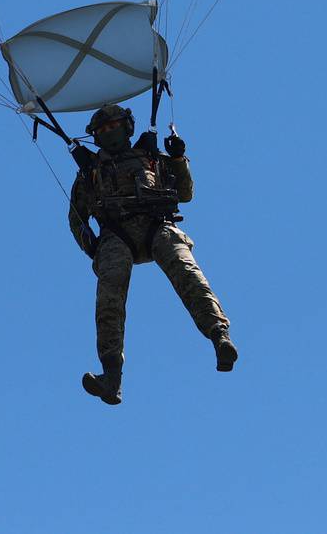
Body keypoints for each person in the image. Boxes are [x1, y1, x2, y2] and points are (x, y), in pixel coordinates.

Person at [68, 103, 235, 405]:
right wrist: (91, 246)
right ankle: (112, 376)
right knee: (109, 296)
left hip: (157, 227)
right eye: (103, 130)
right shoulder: (89, 173)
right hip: (115, 236)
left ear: (128, 128)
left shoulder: (151, 158)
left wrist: (178, 158)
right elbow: (75, 218)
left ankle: (219, 336)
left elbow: (185, 194)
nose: (110, 133)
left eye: (114, 126)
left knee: (188, 273)